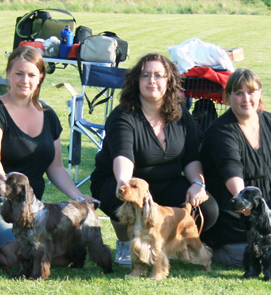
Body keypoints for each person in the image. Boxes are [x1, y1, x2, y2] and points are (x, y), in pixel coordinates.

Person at [0, 46, 97, 269]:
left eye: (32, 74)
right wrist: (6, 180)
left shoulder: (49, 115)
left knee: (66, 256)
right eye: (18, 73)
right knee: (21, 257)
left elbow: (56, 168)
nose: (25, 80)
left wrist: (77, 195)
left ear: (40, 77)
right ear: (8, 74)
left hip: (32, 209)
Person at [90, 53, 219, 267]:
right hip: (119, 180)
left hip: (166, 183)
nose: (152, 80)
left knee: (209, 209)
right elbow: (123, 156)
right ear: (136, 81)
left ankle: (170, 244)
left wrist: (198, 184)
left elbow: (191, 158)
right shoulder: (123, 116)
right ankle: (126, 242)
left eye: (159, 75)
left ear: (169, 82)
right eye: (145, 75)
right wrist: (124, 182)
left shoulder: (182, 116)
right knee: (123, 196)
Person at [200, 68, 271, 267]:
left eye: (251, 92)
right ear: (228, 97)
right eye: (239, 93)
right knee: (261, 258)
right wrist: (244, 202)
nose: (246, 99)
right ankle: (211, 250)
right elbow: (232, 170)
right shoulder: (221, 131)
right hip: (233, 215)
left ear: (260, 94)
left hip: (267, 214)